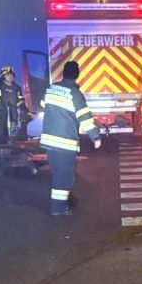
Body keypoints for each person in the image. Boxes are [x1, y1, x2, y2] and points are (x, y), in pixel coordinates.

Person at [39, 60, 100, 216]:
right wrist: (95, 137)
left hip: (49, 142)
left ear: (64, 73)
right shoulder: (75, 94)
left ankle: (59, 205)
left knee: (58, 174)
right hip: (64, 143)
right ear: (77, 75)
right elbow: (84, 118)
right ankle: (58, 209)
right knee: (65, 178)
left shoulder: (51, 89)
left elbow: (42, 105)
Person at [0, 65, 27, 144]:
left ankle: (12, 144)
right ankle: (0, 145)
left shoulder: (16, 87)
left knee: (13, 131)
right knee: (0, 132)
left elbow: (21, 99)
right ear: (3, 76)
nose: (10, 77)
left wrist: (23, 108)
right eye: (8, 75)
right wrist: (0, 106)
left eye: (12, 75)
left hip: (12, 114)